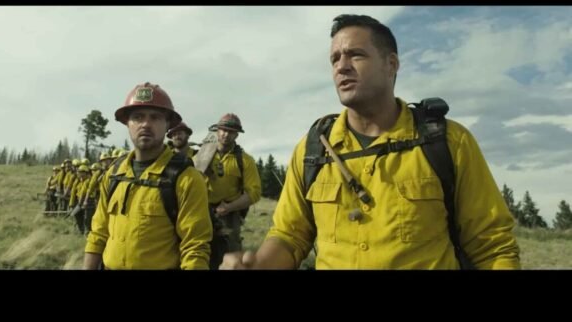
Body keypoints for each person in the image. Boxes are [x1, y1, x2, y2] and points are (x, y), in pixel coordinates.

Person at [221, 14, 520, 270]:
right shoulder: (312, 150)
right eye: (335, 58)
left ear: (391, 65)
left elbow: (492, 247)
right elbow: (290, 236)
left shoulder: (447, 142)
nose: (342, 66)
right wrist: (259, 263)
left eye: (356, 55)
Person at [84, 82, 212, 270]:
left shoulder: (186, 179)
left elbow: (195, 247)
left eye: (155, 117)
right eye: (138, 117)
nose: (145, 124)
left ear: (168, 124)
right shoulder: (114, 174)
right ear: (127, 123)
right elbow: (98, 233)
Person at [203, 113, 261, 269]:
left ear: (237, 135)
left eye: (230, 131)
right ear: (217, 131)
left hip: (229, 215)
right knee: (200, 252)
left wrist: (229, 207)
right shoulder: (202, 155)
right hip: (202, 212)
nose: (225, 134)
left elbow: (254, 192)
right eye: (222, 130)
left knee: (231, 257)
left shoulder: (245, 160)